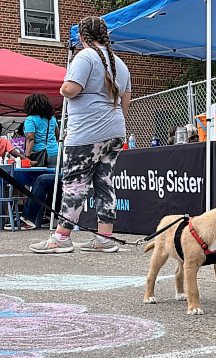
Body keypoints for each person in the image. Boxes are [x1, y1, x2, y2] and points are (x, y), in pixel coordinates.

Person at [29, 15, 131, 254]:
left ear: (82, 37)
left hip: (86, 131)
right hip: (114, 131)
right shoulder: (121, 64)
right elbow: (125, 103)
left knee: (75, 183)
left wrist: (63, 87)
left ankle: (62, 237)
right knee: (104, 182)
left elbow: (72, 89)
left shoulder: (85, 57)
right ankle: (105, 236)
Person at [23, 93, 60, 168]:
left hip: (39, 154)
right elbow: (58, 135)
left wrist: (27, 157)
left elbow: (30, 139)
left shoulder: (30, 119)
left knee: (38, 177)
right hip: (55, 152)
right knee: (53, 177)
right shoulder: (51, 119)